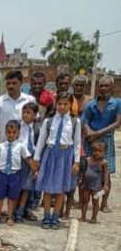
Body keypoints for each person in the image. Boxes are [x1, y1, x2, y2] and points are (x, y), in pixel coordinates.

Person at [0, 70, 36, 218]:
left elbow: (35, 122)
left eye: (14, 83)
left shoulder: (29, 100)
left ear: (21, 83)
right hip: (4, 147)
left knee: (23, 183)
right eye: (8, 83)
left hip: (23, 149)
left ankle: (21, 211)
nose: (11, 86)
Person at [34, 91, 82, 229]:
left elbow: (77, 143)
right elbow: (41, 141)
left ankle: (56, 217)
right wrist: (37, 159)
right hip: (50, 155)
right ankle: (46, 216)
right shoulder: (48, 121)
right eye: (59, 103)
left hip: (65, 156)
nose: (62, 106)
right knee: (48, 189)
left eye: (65, 104)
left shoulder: (75, 122)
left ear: (70, 105)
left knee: (61, 189)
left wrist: (76, 162)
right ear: (55, 104)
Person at [82, 75, 121, 213]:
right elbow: (84, 122)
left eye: (107, 86)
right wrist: (90, 134)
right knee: (86, 171)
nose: (103, 88)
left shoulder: (117, 103)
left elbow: (117, 123)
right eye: (101, 86)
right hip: (90, 140)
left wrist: (98, 133)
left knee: (106, 173)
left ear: (112, 87)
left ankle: (103, 203)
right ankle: (83, 201)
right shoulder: (90, 104)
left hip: (107, 140)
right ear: (98, 87)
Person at [62, 75, 91, 219]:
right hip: (67, 140)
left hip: (85, 140)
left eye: (82, 85)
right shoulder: (67, 99)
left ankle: (80, 202)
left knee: (80, 174)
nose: (79, 87)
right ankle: (64, 204)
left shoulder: (89, 102)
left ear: (86, 86)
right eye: (77, 85)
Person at [0, 120, 29, 226]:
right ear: (5, 132)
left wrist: (35, 169)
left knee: (12, 197)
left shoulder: (21, 146)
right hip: (2, 174)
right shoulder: (0, 146)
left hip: (14, 174)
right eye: (9, 132)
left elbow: (27, 158)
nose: (11, 135)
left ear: (18, 133)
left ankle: (9, 216)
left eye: (14, 132)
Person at [14, 102, 40, 222]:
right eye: (24, 112)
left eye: (29, 112)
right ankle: (13, 211)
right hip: (20, 159)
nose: (25, 115)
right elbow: (17, 144)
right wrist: (28, 159)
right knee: (17, 187)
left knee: (27, 187)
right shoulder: (17, 126)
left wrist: (35, 162)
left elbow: (38, 145)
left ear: (35, 115)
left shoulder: (36, 129)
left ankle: (20, 211)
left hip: (32, 158)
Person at [79, 139, 111, 223]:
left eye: (100, 151)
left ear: (104, 152)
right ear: (92, 150)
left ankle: (94, 217)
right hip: (86, 186)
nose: (97, 153)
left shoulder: (103, 162)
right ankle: (83, 217)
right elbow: (84, 172)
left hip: (96, 187)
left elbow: (106, 174)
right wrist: (82, 182)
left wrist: (106, 185)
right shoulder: (88, 160)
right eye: (95, 150)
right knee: (85, 201)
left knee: (95, 202)